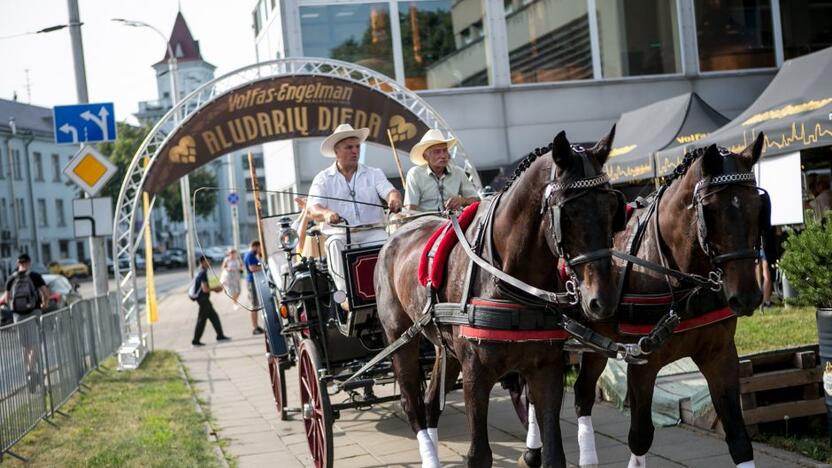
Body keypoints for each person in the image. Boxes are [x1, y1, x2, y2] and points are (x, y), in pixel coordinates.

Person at [306, 123, 402, 292]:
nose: (355, 151)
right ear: (336, 151)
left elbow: (390, 191)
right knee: (334, 244)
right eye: (349, 147)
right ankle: (346, 295)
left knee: (385, 242)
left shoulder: (374, 173)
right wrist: (327, 213)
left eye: (357, 147)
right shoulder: (323, 178)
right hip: (341, 233)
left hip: (372, 231)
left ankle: (388, 291)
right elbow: (313, 209)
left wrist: (394, 199)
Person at [4, 253, 51, 392]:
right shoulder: (35, 276)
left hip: (18, 315)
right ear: (29, 263)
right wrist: (44, 304)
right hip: (33, 313)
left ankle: (28, 373)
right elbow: (45, 293)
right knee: (35, 343)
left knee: (25, 346)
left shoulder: (11, 278)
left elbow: (7, 299)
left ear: (18, 263)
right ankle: (31, 370)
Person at [404, 129, 479, 212]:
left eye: (445, 150)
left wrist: (462, 201)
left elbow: (477, 200)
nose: (443, 156)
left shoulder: (458, 172)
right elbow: (410, 209)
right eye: (437, 152)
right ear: (426, 157)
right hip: (426, 221)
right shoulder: (415, 174)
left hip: (453, 220)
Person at [192, 256, 231, 347]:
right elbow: (205, 289)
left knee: (214, 317)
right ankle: (195, 340)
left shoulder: (199, 271)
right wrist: (216, 289)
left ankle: (220, 335)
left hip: (203, 299)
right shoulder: (202, 272)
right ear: (202, 262)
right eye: (208, 262)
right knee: (202, 320)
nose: (210, 264)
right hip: (203, 299)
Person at [243, 240, 266, 335]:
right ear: (255, 246)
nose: (259, 250)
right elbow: (252, 268)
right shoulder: (250, 255)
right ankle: (255, 327)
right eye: (259, 248)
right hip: (252, 281)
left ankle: (256, 326)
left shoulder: (250, 255)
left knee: (255, 304)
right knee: (254, 305)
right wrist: (264, 267)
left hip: (253, 281)